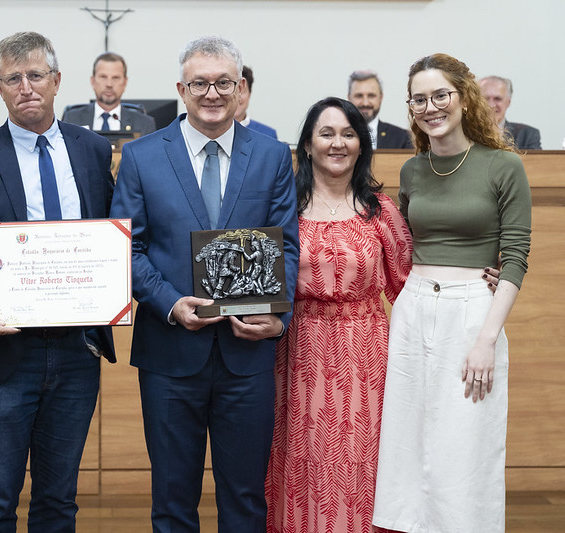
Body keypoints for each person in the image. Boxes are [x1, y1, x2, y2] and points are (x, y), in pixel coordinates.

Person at [109, 35, 299, 532]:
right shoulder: (142, 156)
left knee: (244, 500)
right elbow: (125, 247)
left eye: (223, 83)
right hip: (170, 355)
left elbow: (288, 246)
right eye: (200, 83)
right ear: (181, 88)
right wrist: (170, 303)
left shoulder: (274, 156)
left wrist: (277, 317)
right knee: (173, 500)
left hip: (248, 356)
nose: (211, 94)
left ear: (241, 89)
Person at [0, 31, 116, 532]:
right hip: (3, 352)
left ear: (56, 81)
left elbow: (112, 242)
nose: (26, 86)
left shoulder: (94, 152)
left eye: (36, 75)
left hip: (78, 352)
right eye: (14, 78)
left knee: (59, 502)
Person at [373, 53, 532, 533]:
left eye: (440, 95)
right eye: (419, 99)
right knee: (407, 439)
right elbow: (401, 246)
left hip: (472, 317)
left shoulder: (504, 166)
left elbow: (516, 257)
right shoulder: (412, 170)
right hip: (415, 308)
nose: (430, 107)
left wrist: (487, 337)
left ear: (464, 97)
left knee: (466, 442)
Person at [264, 97, 413, 533]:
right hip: (296, 350)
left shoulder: (380, 210)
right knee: (300, 455)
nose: (337, 143)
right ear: (307, 145)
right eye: (326, 133)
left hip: (366, 355)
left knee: (361, 460)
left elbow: (408, 283)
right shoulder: (282, 208)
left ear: (361, 145)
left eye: (348, 134)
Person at [62, 51, 156, 135]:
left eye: (115, 78)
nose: (109, 84)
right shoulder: (72, 119)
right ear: (93, 81)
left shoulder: (144, 124)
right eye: (103, 77)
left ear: (125, 82)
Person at [348, 70, 412, 149]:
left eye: (371, 96)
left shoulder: (403, 138)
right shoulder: (337, 136)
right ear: (349, 98)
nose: (365, 103)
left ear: (380, 97)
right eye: (359, 96)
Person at [479, 75, 542, 150]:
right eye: (485, 98)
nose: (491, 105)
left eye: (497, 99)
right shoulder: (465, 133)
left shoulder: (527, 134)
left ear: (508, 102)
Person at [235, 65, 278, 138]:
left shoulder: (268, 134)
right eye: (234, 91)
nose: (237, 97)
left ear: (250, 93)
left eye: (242, 91)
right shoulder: (211, 132)